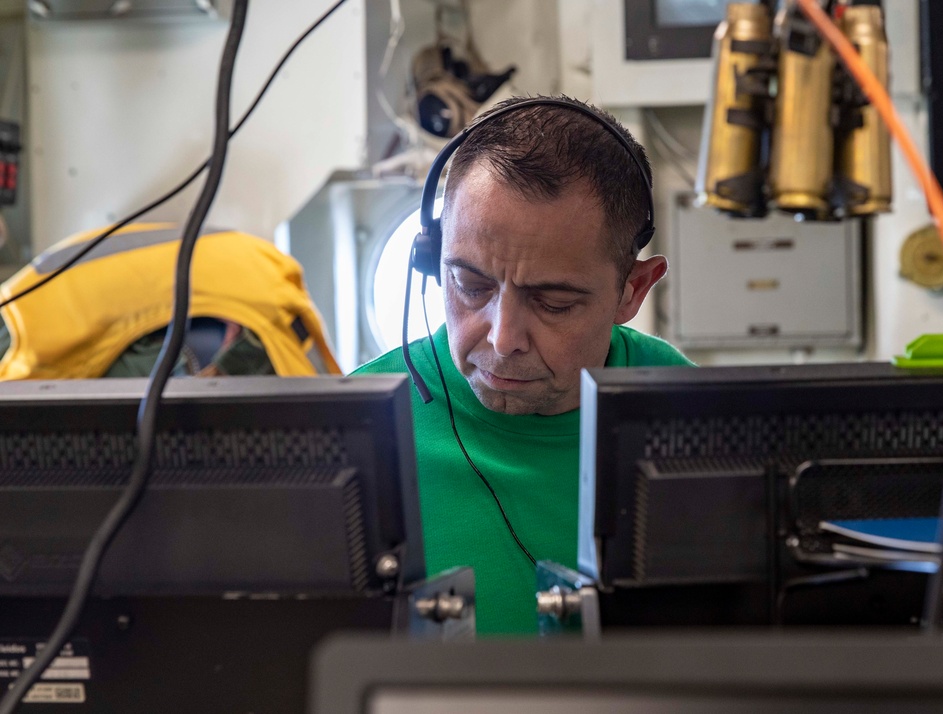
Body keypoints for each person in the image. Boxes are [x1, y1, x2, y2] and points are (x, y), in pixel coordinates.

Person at [353, 96, 694, 635]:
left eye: (553, 302)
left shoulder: (693, 417)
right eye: (470, 285)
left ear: (632, 290)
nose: (503, 337)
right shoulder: (358, 426)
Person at [0, 222, 339, 379]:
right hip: (251, 282)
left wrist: (220, 372)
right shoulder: (26, 317)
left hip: (249, 304)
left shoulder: (27, 345)